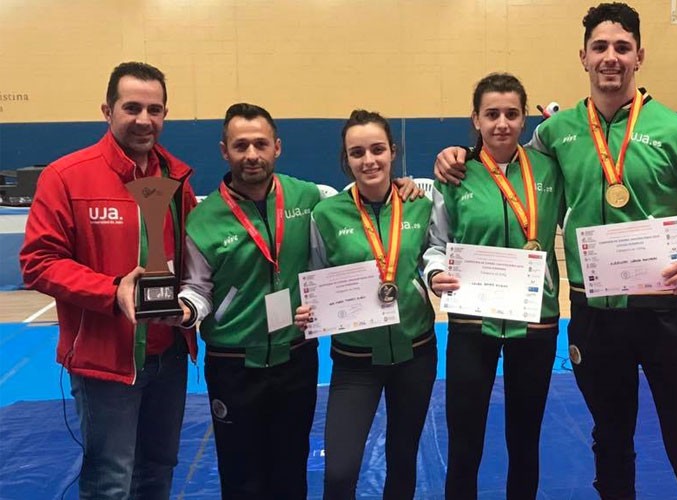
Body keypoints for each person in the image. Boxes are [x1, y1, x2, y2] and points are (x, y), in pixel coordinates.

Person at [435, 4, 677, 499]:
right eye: (600, 47)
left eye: (622, 47)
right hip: (595, 314)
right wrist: (459, 155)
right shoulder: (555, 135)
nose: (610, 57)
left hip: (666, 309)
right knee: (611, 440)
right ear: (583, 56)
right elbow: (503, 161)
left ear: (639, 56)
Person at [177, 103, 423, 499]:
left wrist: (402, 185)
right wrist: (187, 310)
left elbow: (359, 200)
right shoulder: (203, 218)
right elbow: (198, 288)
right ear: (225, 151)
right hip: (233, 361)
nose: (252, 154)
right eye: (241, 146)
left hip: (296, 356)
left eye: (261, 144)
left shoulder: (309, 197)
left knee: (292, 464)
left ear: (278, 146)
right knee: (241, 473)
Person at [19, 62, 198, 499]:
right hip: (105, 360)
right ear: (107, 110)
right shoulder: (66, 176)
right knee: (110, 479)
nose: (144, 119)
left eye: (154, 109)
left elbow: (197, 260)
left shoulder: (177, 177)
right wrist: (111, 290)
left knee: (158, 470)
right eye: (132, 107)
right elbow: (38, 261)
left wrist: (192, 305)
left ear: (165, 114)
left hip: (168, 355)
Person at [423, 73, 564, 499]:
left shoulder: (550, 168)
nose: (501, 123)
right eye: (492, 114)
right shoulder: (456, 173)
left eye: (511, 113)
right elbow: (435, 244)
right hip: (471, 322)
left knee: (525, 441)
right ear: (476, 119)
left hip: (536, 322)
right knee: (464, 441)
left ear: (524, 120)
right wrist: (434, 274)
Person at [294, 110, 436, 500]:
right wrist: (310, 309)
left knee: (403, 459)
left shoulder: (420, 205)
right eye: (357, 153)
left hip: (415, 353)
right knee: (340, 471)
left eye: (377, 149)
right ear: (346, 160)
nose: (369, 160)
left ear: (393, 151)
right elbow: (316, 278)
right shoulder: (326, 214)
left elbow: (432, 257)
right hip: (355, 360)